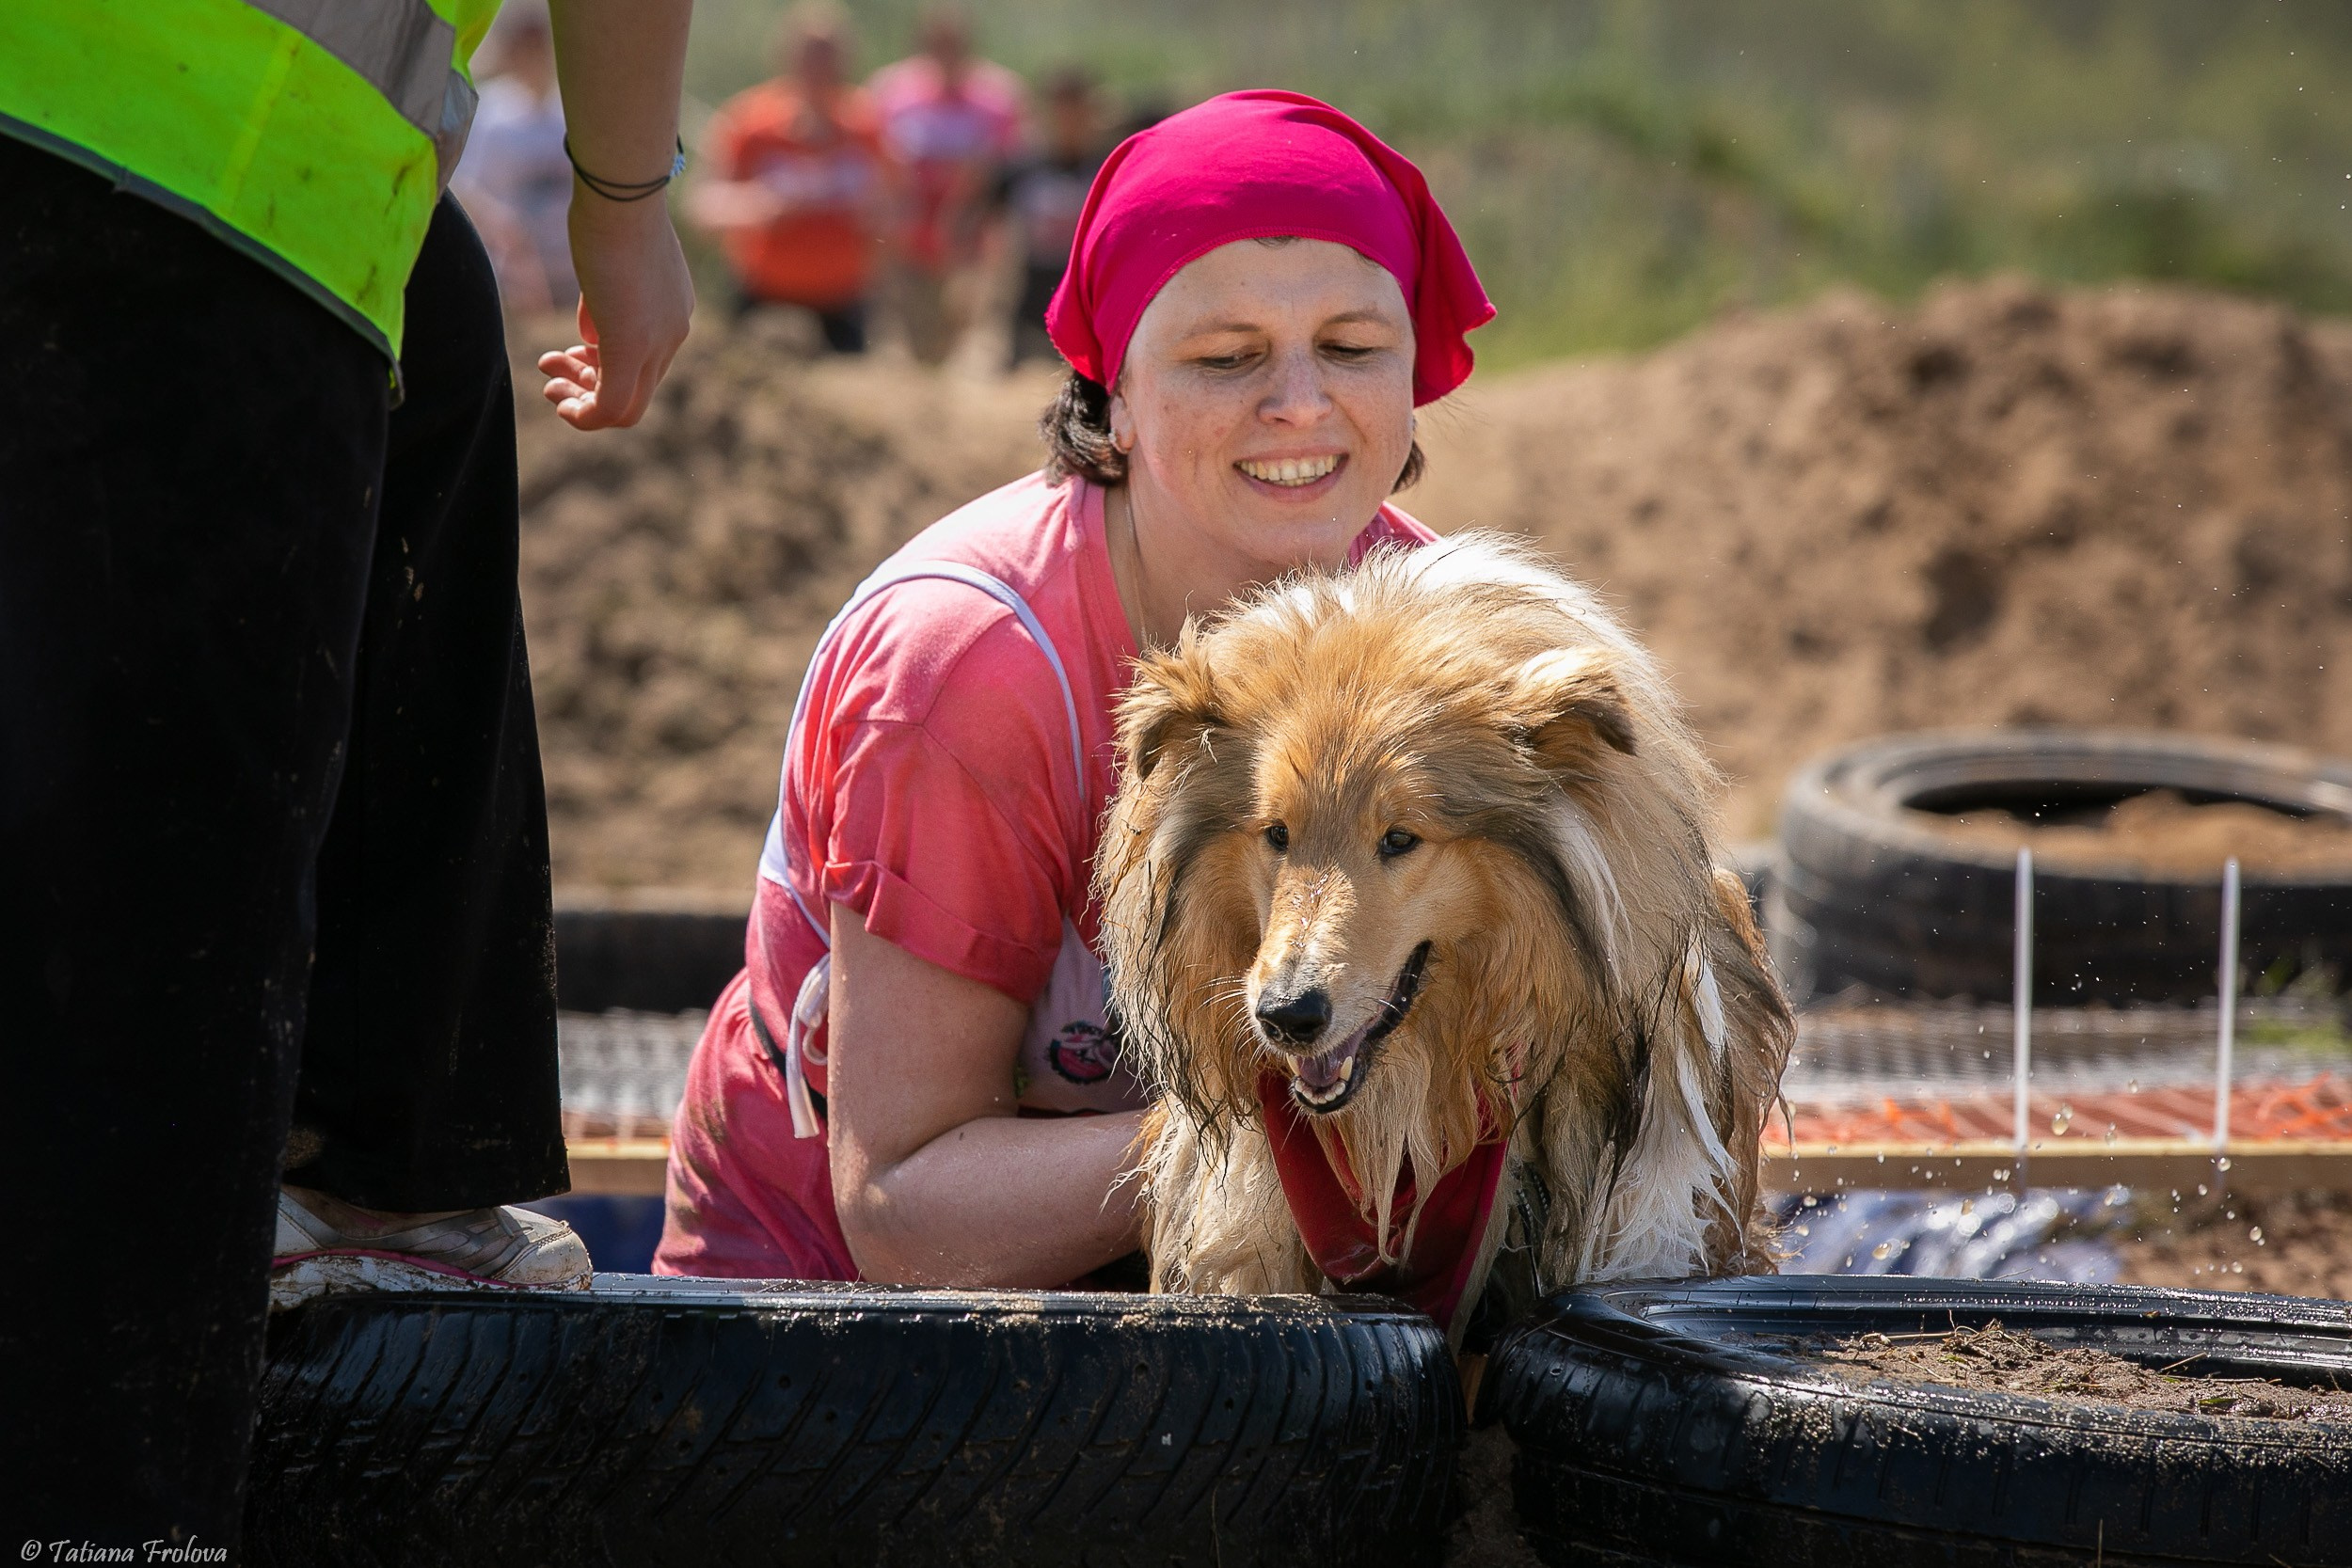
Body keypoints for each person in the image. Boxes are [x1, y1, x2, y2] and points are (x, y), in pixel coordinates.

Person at [1, 0, 693, 1549]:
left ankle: (394, 1155)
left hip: (194, 155)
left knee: (436, 308)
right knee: (134, 1013)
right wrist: (624, 205)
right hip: (195, 172)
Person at [654, 90, 1494, 1286]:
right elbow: (902, 1205)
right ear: (1115, 393)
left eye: (1353, 348)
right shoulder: (967, 671)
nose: (1301, 403)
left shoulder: (1439, 634)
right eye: (1225, 357)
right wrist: (1277, 1152)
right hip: (825, 1309)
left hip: (1208, 1268)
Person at [689, 4, 888, 354]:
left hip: (844, 302)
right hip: (762, 296)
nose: (820, 70)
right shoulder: (749, 122)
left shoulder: (866, 126)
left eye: (829, 58)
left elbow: (900, 207)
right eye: (810, 57)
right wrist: (761, 205)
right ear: (787, 58)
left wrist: (863, 208)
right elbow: (702, 207)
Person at [866, 7, 1025, 363]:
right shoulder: (891, 93)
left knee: (965, 342)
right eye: (938, 43)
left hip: (971, 245)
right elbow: (876, 167)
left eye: (954, 43)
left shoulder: (998, 98)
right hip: (907, 243)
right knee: (915, 349)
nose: (947, 53)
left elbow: (1009, 172)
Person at [453, 2, 580, 312]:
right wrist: (509, 236)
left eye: (539, 47)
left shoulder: (573, 114)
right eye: (525, 47)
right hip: (512, 280)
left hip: (574, 277)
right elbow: (463, 188)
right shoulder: (488, 112)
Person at [989, 66, 1106, 367]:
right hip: (1030, 300)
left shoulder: (1108, 169)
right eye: (1060, 112)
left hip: (1089, 304)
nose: (1067, 123)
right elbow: (982, 224)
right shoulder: (1022, 170)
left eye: (1076, 113)